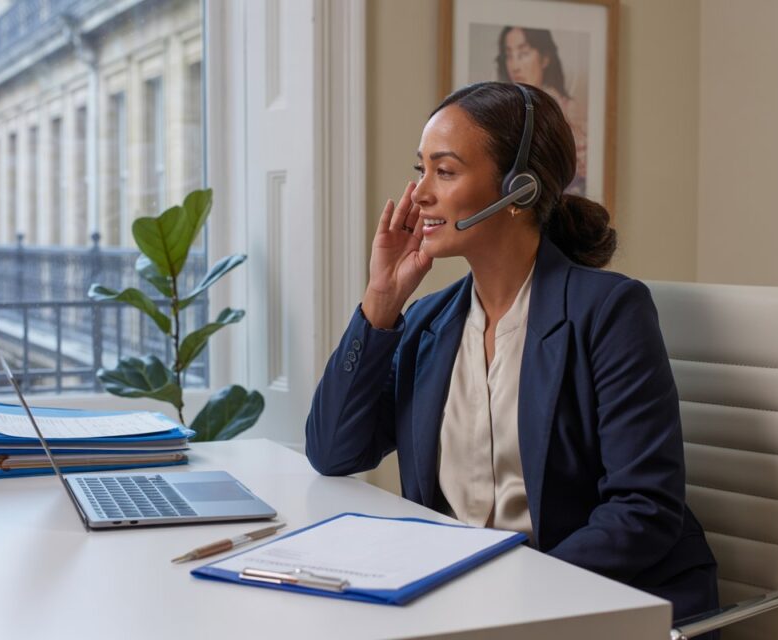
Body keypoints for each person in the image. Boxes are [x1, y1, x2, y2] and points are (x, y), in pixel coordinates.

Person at [305, 82, 719, 630]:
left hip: (589, 600)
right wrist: (381, 302)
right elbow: (334, 451)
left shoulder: (609, 310)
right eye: (420, 169)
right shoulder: (429, 320)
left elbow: (644, 511)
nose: (419, 193)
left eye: (445, 171)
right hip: (468, 605)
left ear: (518, 188)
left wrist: (509, 589)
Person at [497, 26, 587, 195]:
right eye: (509, 56)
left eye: (523, 54)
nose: (514, 66)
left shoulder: (570, 113)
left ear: (545, 59)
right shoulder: (503, 115)